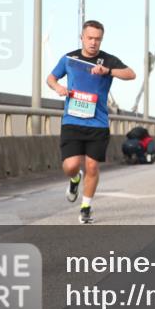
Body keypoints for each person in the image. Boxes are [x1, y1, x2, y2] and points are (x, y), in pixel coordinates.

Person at [47, 20, 135, 224]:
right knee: (71, 166)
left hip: (98, 123)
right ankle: (75, 179)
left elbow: (131, 74)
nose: (94, 43)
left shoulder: (108, 60)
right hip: (72, 121)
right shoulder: (70, 59)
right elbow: (50, 78)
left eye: (98, 39)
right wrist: (58, 88)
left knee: (93, 167)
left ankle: (86, 207)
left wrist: (109, 71)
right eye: (90, 38)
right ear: (82, 38)